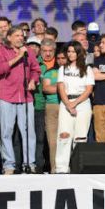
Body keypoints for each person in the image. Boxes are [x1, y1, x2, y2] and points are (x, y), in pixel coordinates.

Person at [0, 26, 41, 174]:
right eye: (17, 35)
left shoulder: (29, 52)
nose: (21, 38)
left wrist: (33, 80)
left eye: (22, 35)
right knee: (6, 132)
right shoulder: (1, 51)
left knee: (28, 132)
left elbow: (36, 70)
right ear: (9, 38)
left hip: (26, 97)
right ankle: (9, 165)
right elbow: (0, 70)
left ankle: (30, 163)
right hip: (7, 96)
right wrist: (18, 57)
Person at [55, 42, 95, 173]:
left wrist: (75, 103)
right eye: (69, 51)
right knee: (64, 135)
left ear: (79, 53)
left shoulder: (87, 69)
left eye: (73, 51)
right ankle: (61, 168)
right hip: (66, 102)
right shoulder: (63, 69)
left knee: (80, 137)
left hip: (82, 103)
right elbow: (61, 87)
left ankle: (78, 166)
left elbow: (89, 89)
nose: (70, 54)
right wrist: (68, 104)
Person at [36, 39, 61, 173]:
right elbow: (46, 88)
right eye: (44, 51)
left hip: (61, 104)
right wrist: (62, 87)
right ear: (40, 51)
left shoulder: (61, 63)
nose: (47, 54)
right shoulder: (36, 64)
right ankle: (42, 167)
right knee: (41, 139)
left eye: (50, 51)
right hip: (39, 104)